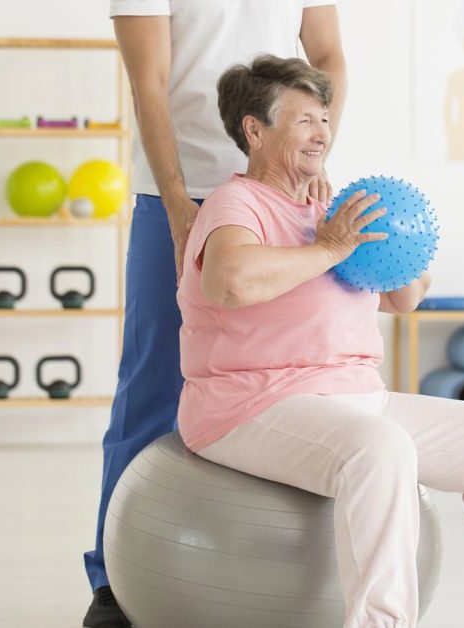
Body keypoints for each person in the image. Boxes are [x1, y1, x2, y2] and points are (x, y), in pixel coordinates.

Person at [179, 54, 464, 628]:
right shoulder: (237, 204)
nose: (322, 133)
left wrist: (390, 241)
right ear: (254, 131)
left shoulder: (329, 210)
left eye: (324, 119)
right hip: (251, 405)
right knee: (380, 448)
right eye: (304, 120)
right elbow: (230, 282)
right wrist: (331, 248)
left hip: (357, 398)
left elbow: (405, 298)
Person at [84, 3, 347, 627]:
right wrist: (178, 202)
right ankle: (113, 583)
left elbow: (329, 56)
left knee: (297, 373)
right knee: (152, 385)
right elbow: (149, 83)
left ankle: (287, 574)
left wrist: (310, 148)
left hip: (281, 188)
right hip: (178, 194)